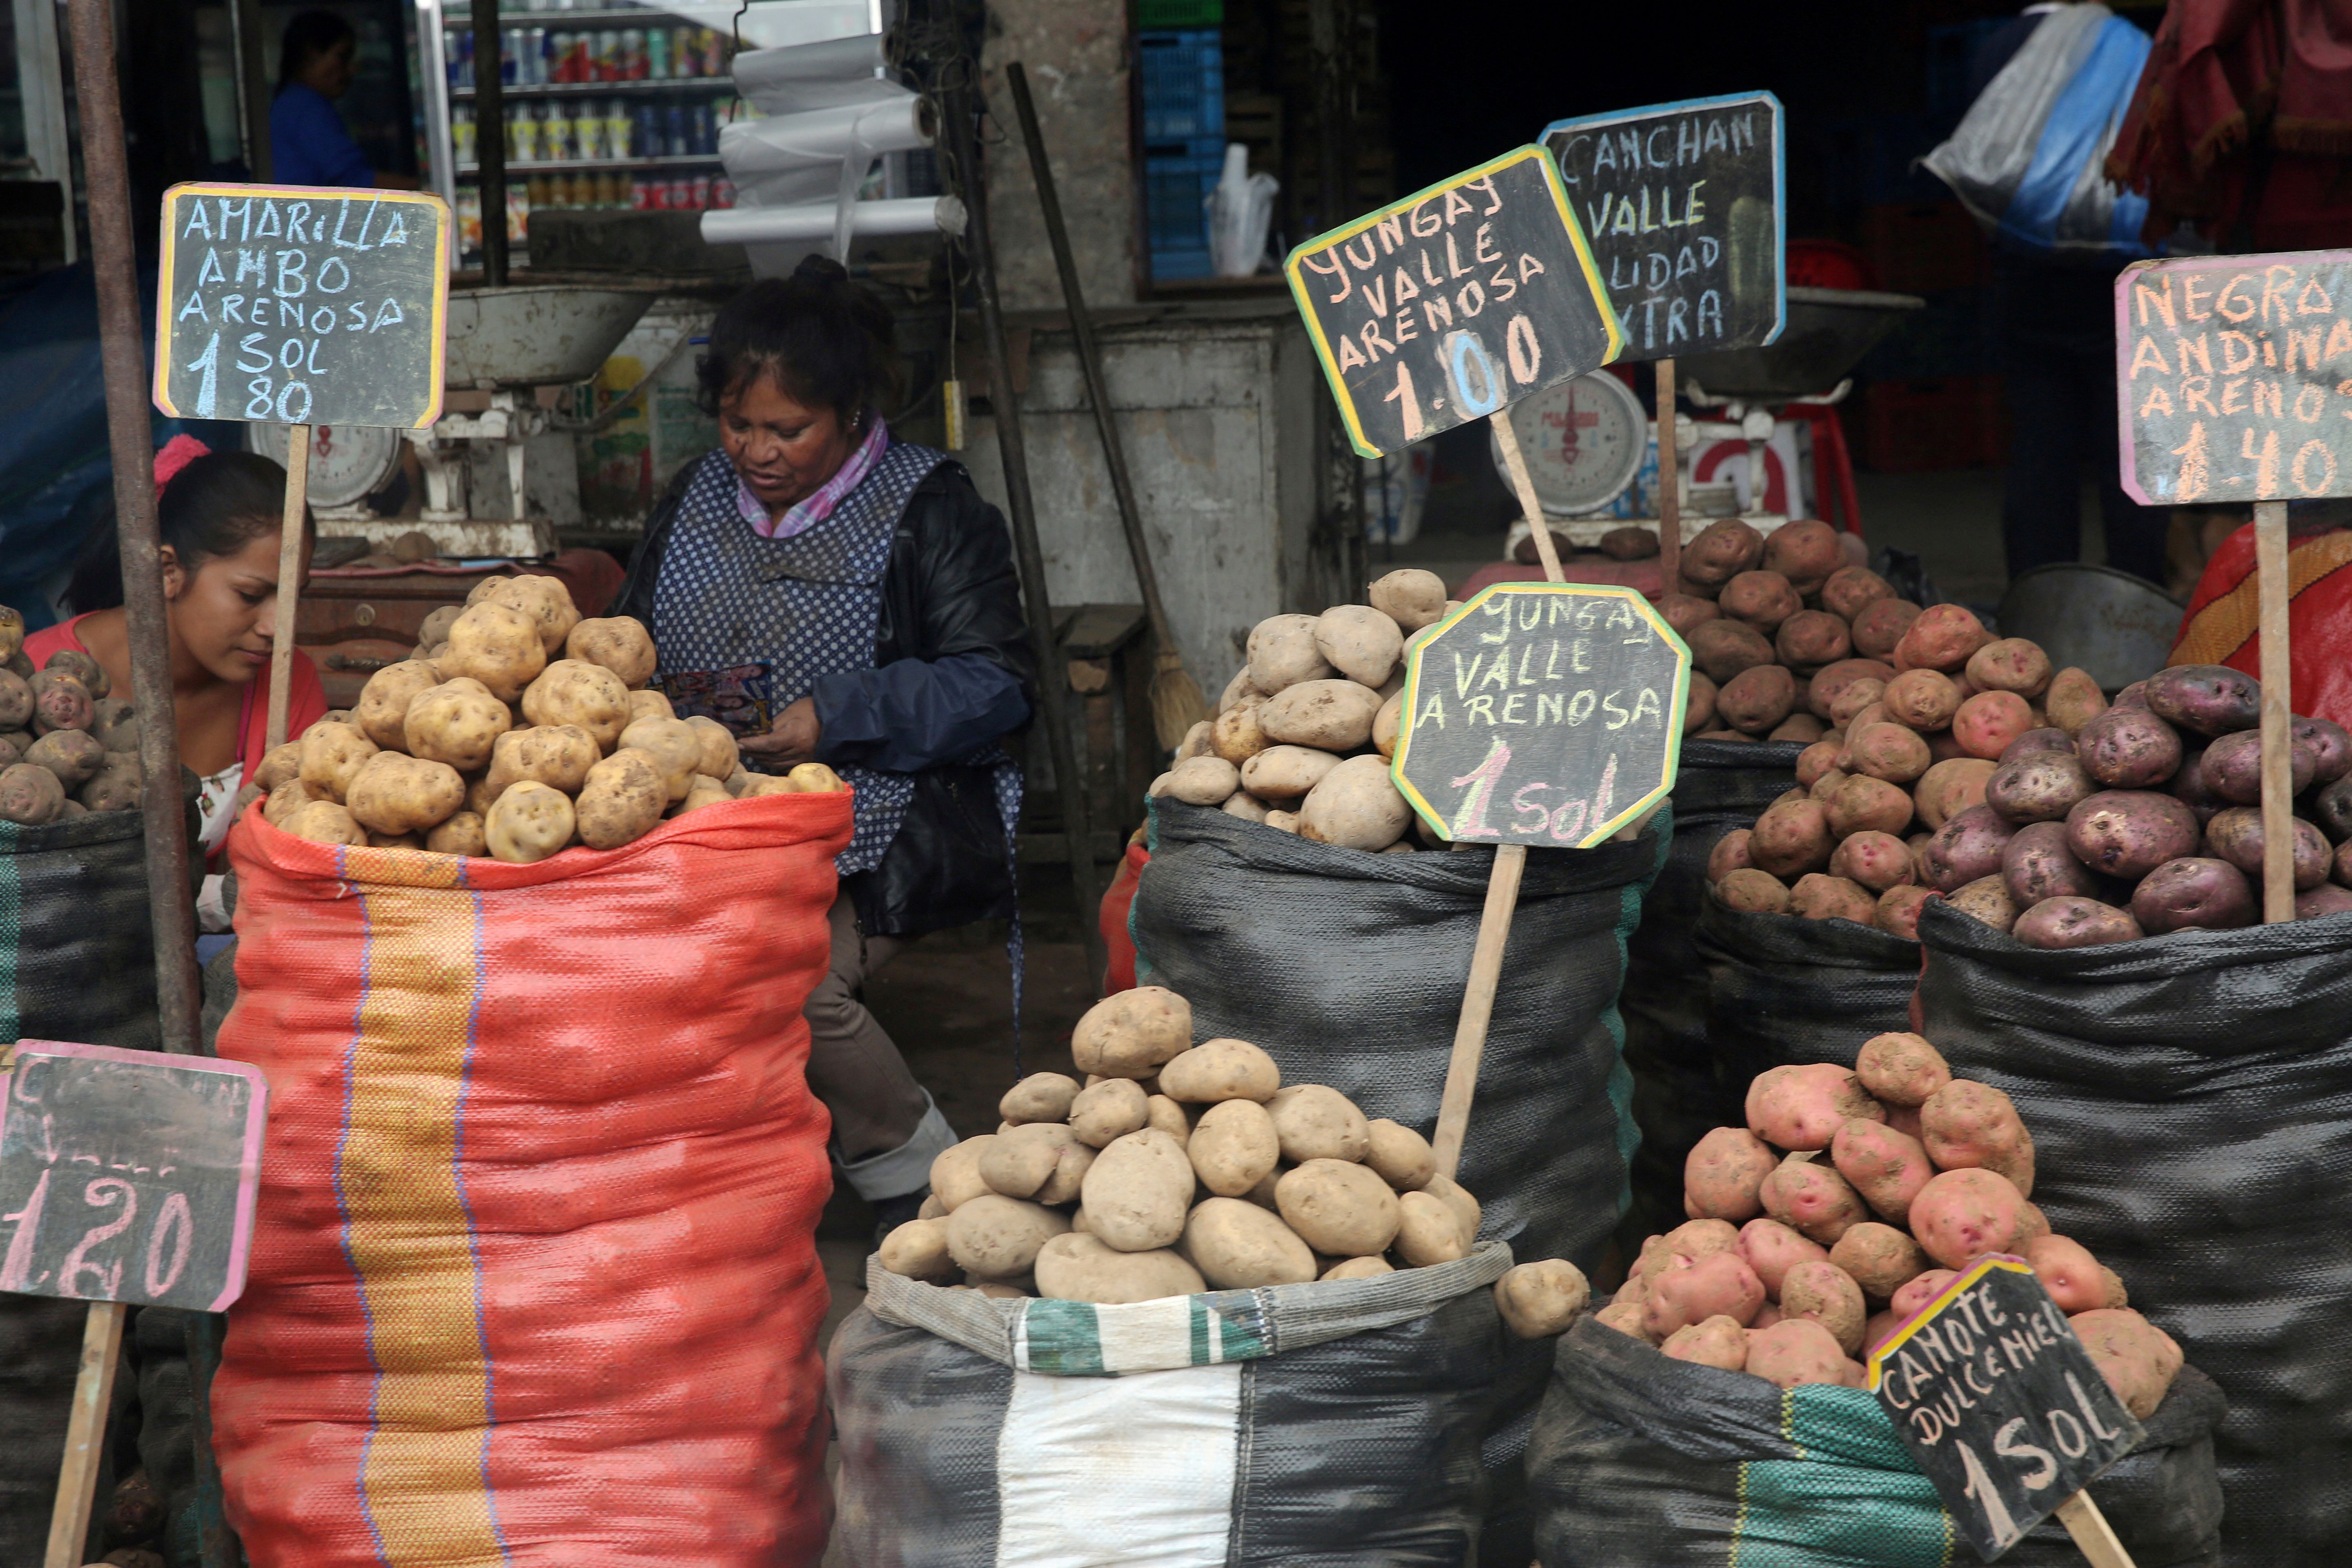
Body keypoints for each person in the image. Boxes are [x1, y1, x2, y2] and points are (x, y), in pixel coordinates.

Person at [615, 257, 1033, 1230]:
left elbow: (997, 688)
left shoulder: (930, 508)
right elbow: (626, 639)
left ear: (849, 414)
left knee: (784, 975)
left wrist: (835, 713)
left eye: (785, 429)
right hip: (706, 809)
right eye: (737, 423)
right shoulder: (693, 495)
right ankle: (722, 1187)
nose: (755, 450)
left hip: (880, 813)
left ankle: (917, 1186)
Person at [29, 437, 327, 932]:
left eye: (295, 599)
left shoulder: (290, 682)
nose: (279, 626)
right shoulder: (33, 678)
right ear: (169, 571)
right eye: (251, 595)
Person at [270, 11, 420, 190]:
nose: (351, 69)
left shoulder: (291, 103)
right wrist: (430, 190)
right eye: (342, 57)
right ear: (311, 54)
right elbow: (352, 180)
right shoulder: (304, 107)